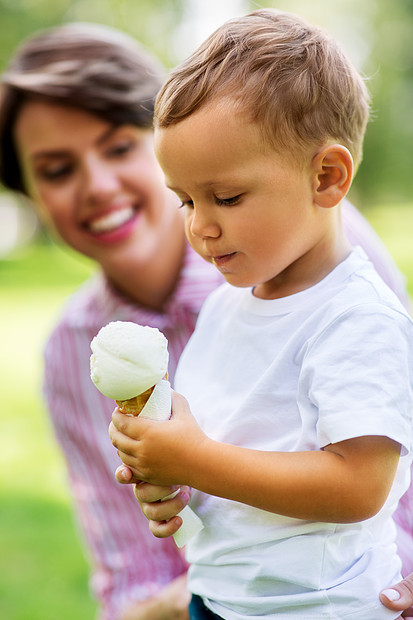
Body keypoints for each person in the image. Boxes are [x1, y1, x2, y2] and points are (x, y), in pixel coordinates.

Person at [0, 19, 412, 620]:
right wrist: (170, 485)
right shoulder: (227, 304)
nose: (198, 226)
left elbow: (362, 484)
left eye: (226, 197)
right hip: (218, 600)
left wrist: (193, 460)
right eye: (187, 200)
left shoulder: (347, 298)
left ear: (326, 179)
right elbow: (224, 458)